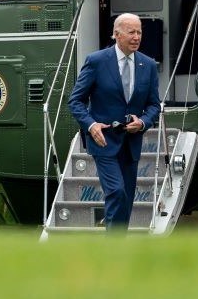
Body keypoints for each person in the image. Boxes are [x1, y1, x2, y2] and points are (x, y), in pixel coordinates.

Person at [68, 13, 160, 231]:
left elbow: (155, 106)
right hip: (104, 142)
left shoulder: (148, 65)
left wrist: (144, 122)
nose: (136, 37)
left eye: (139, 32)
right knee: (116, 191)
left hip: (131, 143)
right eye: (131, 32)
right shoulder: (97, 61)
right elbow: (75, 101)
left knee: (126, 199)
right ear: (117, 35)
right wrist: (91, 124)